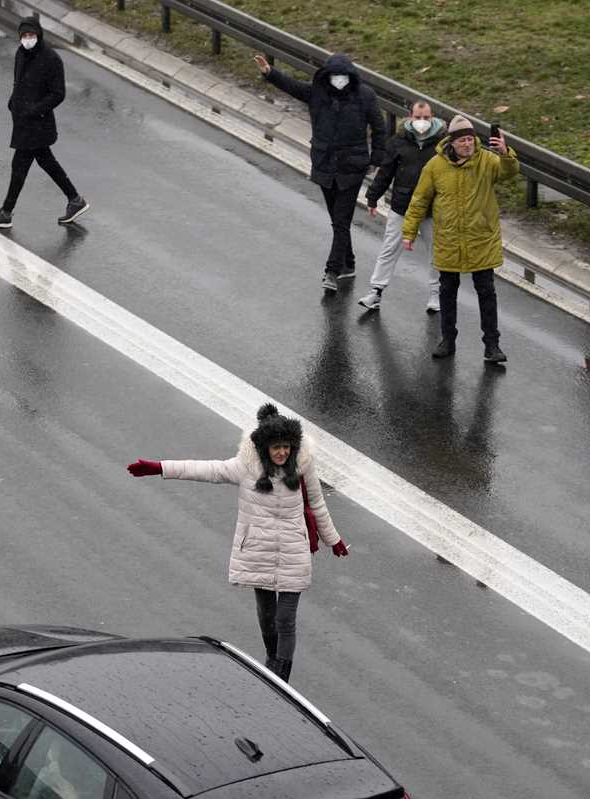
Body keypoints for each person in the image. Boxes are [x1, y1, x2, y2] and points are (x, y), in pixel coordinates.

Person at [127, 404, 349, 682]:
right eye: (276, 447)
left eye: (286, 447)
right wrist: (160, 468)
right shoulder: (246, 468)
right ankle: (272, 662)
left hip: (294, 552)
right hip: (258, 551)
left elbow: (315, 503)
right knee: (267, 617)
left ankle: (280, 680)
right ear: (264, 447)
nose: (282, 453)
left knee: (285, 619)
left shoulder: (303, 466)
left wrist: (334, 539)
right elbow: (208, 469)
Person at [255, 53, 386, 292]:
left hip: (352, 167)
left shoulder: (365, 96)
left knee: (341, 220)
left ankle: (332, 271)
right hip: (325, 165)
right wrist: (270, 73)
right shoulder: (318, 93)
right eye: (335, 76)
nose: (339, 80)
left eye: (343, 76)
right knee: (337, 220)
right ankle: (349, 263)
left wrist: (376, 159)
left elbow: (379, 128)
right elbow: (292, 86)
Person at [401, 115, 518, 362]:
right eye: (463, 140)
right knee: (447, 291)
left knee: (486, 292)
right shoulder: (435, 166)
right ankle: (448, 340)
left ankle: (492, 345)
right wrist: (409, 232)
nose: (468, 144)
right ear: (451, 143)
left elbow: (509, 173)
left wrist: (505, 152)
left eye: (470, 139)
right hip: (448, 240)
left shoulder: (487, 160)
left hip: (481, 239)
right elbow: (420, 199)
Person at [0, 15, 89, 230]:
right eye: (24, 35)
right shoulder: (20, 53)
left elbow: (58, 94)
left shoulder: (51, 59)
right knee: (46, 162)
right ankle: (75, 200)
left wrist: (34, 110)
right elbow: (18, 82)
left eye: (31, 35)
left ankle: (6, 212)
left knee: (19, 166)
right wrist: (13, 102)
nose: (28, 39)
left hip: (38, 122)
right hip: (22, 121)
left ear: (39, 35)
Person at [358, 100, 445, 312]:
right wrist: (372, 197)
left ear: (432, 117)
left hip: (431, 210)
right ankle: (376, 291)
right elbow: (386, 171)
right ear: (410, 116)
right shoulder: (398, 141)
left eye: (426, 118)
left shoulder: (443, 145)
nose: (422, 122)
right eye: (418, 117)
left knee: (437, 254)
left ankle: (436, 295)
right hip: (402, 206)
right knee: (389, 249)